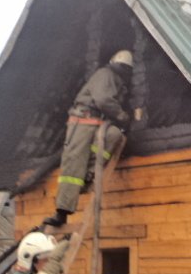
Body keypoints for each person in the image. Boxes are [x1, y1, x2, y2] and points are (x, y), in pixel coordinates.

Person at [44, 50, 134, 227]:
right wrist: (123, 116)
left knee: (114, 135)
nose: (123, 71)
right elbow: (103, 100)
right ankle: (61, 213)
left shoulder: (117, 81)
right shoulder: (105, 74)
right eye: (123, 67)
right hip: (83, 121)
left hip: (98, 124)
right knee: (74, 163)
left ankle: (88, 174)